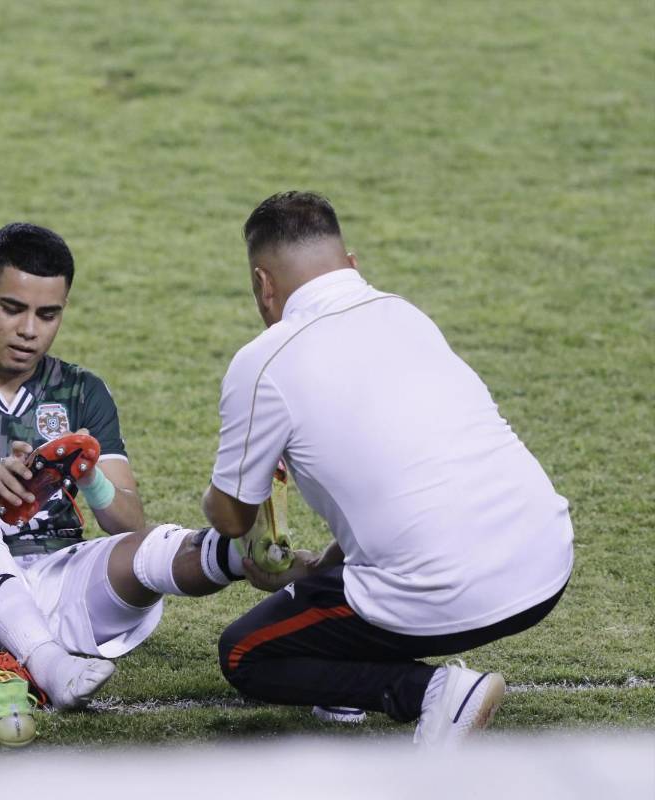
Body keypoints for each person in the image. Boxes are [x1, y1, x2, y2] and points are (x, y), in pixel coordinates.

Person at [203, 191, 574, 745]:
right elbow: (411, 476)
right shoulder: (406, 313)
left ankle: (430, 694)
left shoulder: (265, 359)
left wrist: (231, 515)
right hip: (547, 565)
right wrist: (322, 568)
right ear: (351, 265)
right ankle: (346, 685)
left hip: (445, 596)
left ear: (263, 284)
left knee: (246, 652)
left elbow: (233, 518)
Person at [0, 223, 253, 711]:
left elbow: (127, 524)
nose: (30, 329)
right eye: (11, 308)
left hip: (63, 577)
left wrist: (88, 478)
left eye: (47, 314)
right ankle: (50, 663)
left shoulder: (83, 390)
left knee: (152, 547)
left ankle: (244, 556)